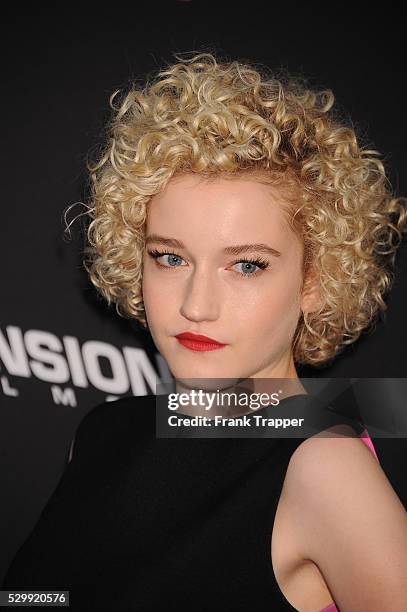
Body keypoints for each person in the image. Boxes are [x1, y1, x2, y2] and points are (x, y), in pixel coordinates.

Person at [3, 51, 407, 611]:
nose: (196, 305)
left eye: (245, 265)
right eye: (170, 258)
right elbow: (47, 596)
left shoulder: (324, 468)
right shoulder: (104, 431)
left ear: (315, 279)